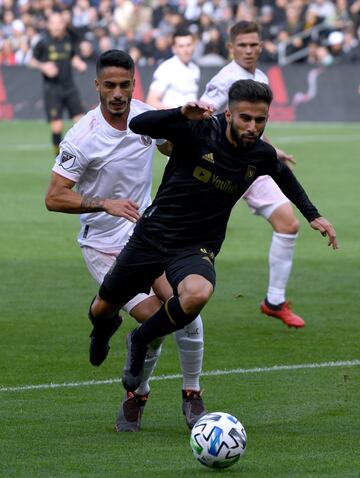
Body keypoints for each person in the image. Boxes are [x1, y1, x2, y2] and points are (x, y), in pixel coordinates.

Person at [88, 79, 338, 400]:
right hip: (152, 236)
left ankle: (139, 340)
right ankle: (102, 328)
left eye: (260, 120)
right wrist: (180, 113)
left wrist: (312, 214)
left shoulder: (258, 153)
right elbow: (138, 124)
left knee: (197, 295)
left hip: (196, 246)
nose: (252, 127)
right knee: (103, 308)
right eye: (245, 118)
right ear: (229, 114)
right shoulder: (198, 130)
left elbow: (281, 172)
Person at [45, 49, 206, 432]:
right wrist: (105, 203)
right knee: (152, 318)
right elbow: (53, 196)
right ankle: (113, 346)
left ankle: (191, 392)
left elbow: (171, 146)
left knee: (186, 308)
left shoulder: (144, 117)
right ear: (97, 85)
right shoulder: (83, 136)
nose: (118, 94)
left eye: (125, 85)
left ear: (135, 84)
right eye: (110, 85)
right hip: (103, 244)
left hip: (149, 234)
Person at [200, 20, 305, 328]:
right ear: (230, 48)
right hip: (219, 167)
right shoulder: (227, 80)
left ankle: (274, 301)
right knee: (189, 234)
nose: (248, 50)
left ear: (261, 46)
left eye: (253, 44)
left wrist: (273, 151)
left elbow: (255, 128)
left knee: (288, 223)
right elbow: (203, 114)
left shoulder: (258, 78)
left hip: (251, 166)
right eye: (241, 45)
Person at [29, 12, 87, 156]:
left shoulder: (69, 39)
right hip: (52, 90)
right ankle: (59, 159)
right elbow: (32, 62)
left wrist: (78, 63)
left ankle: (84, 156)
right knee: (57, 126)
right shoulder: (43, 42)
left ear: (63, 24)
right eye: (53, 23)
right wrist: (43, 66)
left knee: (83, 125)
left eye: (59, 23)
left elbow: (72, 56)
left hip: (70, 88)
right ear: (49, 25)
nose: (56, 26)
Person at [146, 28, 200, 109]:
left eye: (188, 45)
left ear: (193, 46)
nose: (186, 50)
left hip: (192, 120)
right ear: (174, 49)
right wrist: (178, 114)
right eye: (181, 46)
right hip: (172, 120)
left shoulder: (195, 68)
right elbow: (151, 101)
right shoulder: (166, 68)